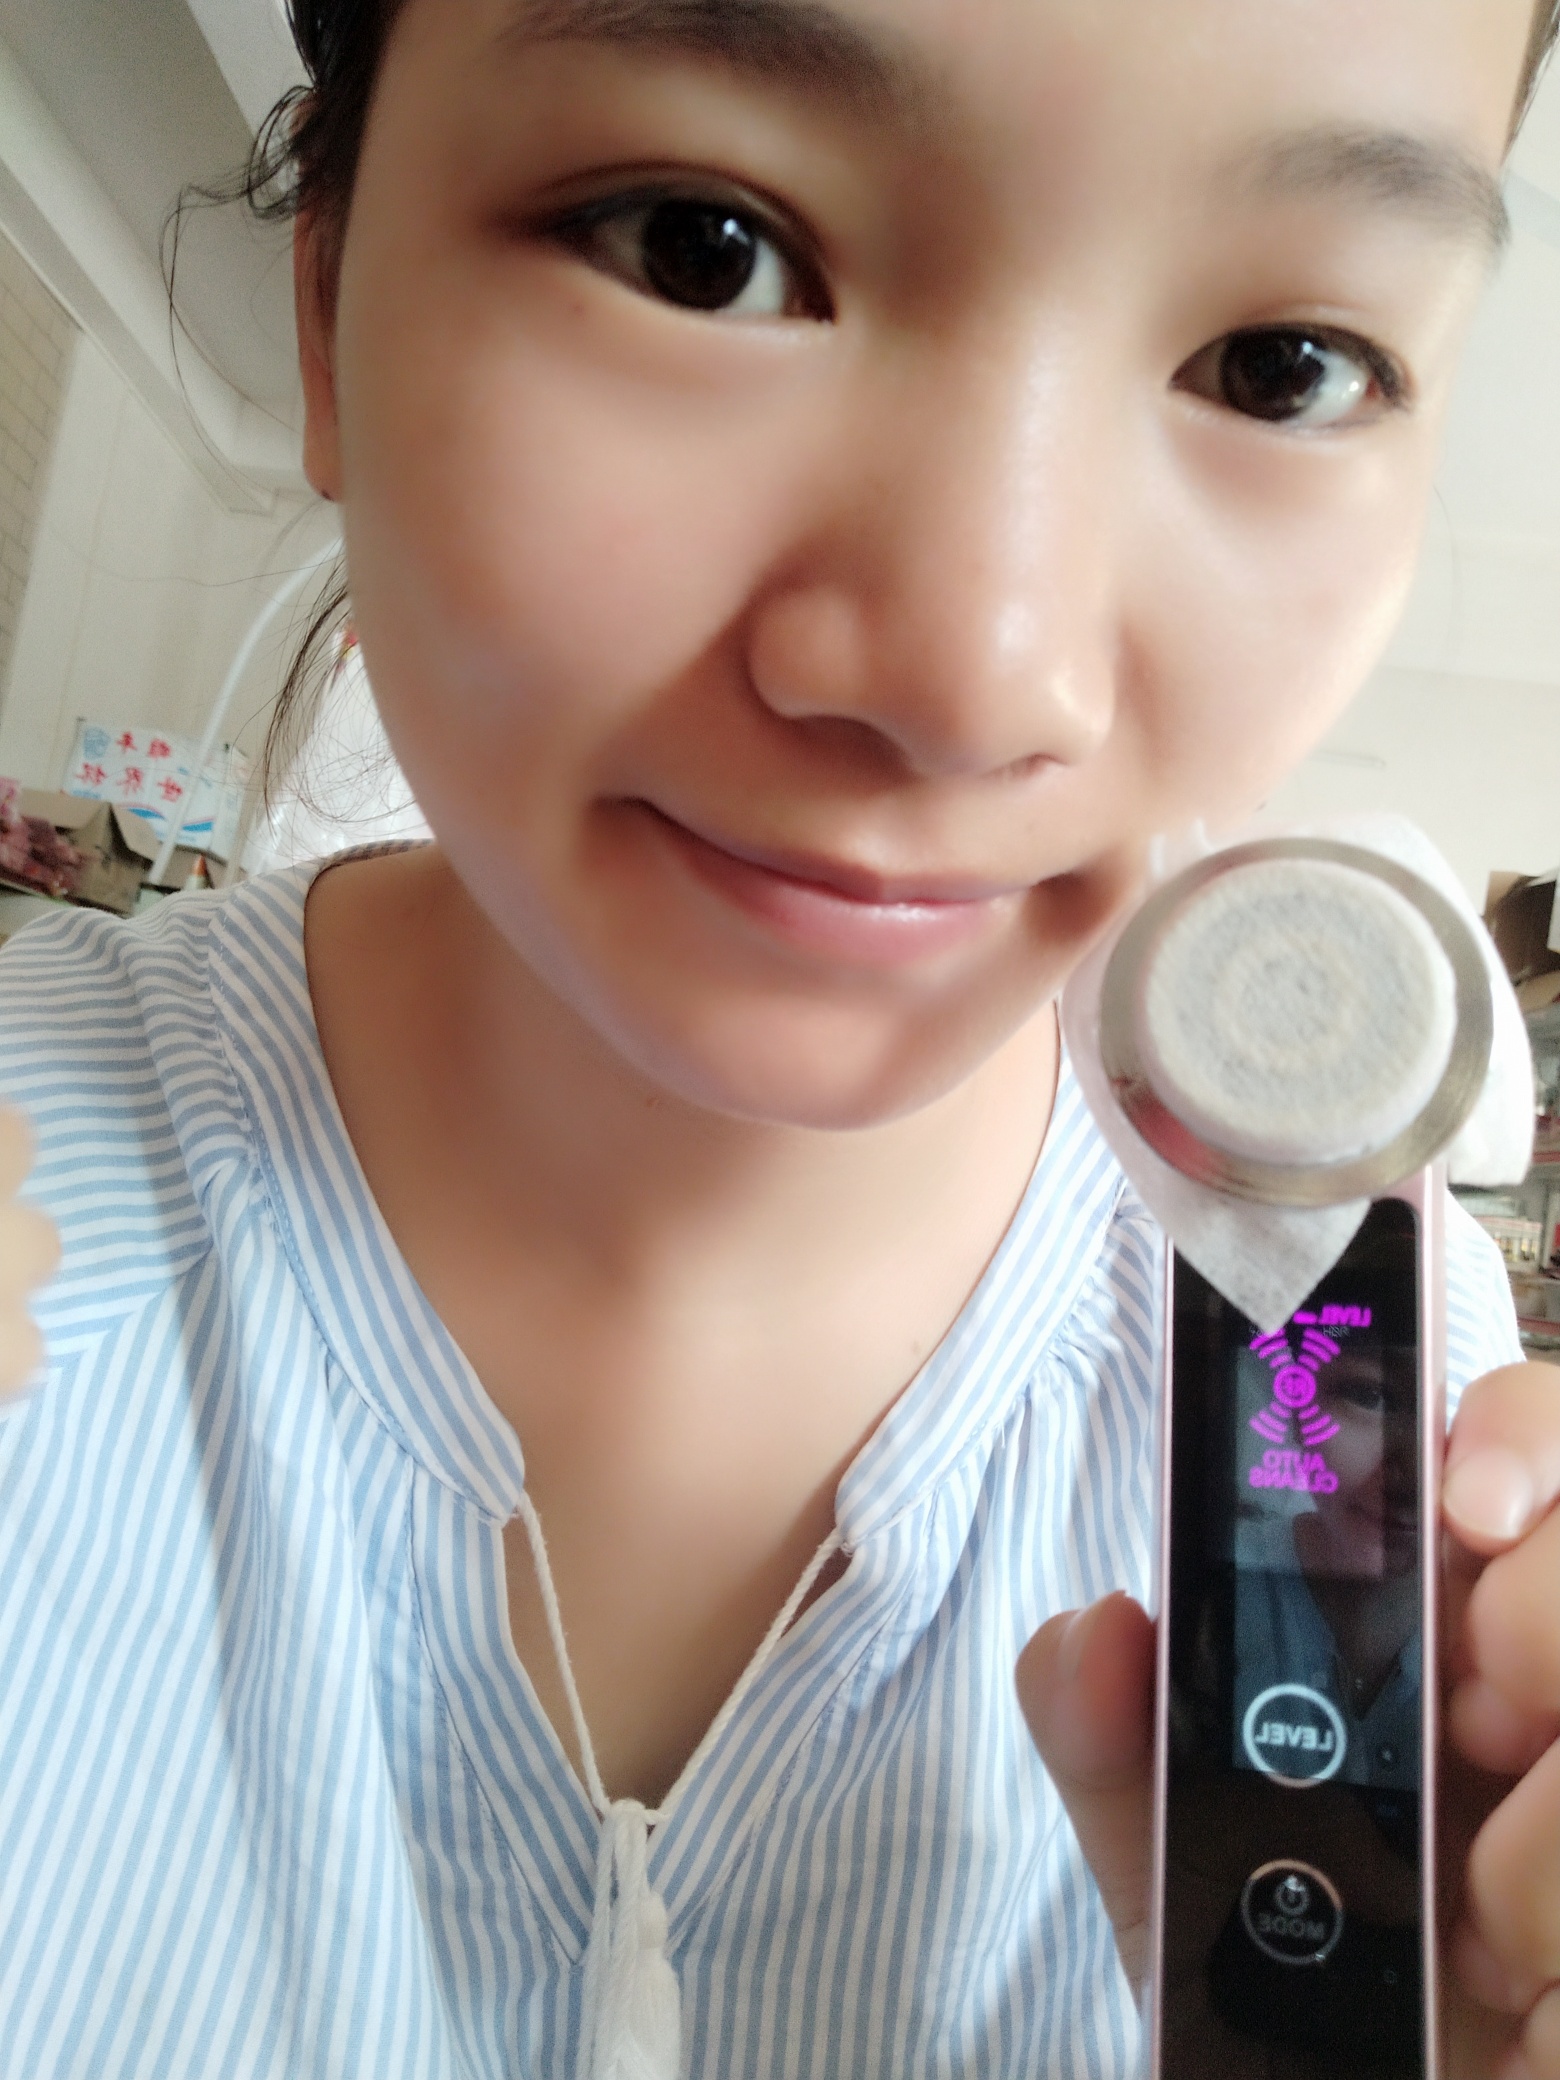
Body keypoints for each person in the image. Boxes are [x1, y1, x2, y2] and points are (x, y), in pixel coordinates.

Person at [1, 1, 1558, 2073]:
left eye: (1281, 365)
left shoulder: (1373, 1419)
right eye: (700, 247)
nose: (976, 677)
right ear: (328, 304)